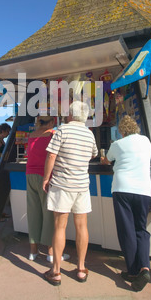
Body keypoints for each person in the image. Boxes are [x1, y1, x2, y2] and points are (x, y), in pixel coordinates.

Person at [42, 101, 98, 285]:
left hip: (62, 185)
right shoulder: (90, 134)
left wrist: (45, 178)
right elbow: (93, 154)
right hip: (82, 186)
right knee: (82, 226)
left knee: (60, 226)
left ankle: (56, 271)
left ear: (71, 115)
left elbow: (51, 155)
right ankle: (81, 269)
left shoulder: (62, 130)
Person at [101, 115, 151, 292]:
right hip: (143, 190)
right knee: (141, 229)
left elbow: (107, 160)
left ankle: (132, 271)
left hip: (122, 188)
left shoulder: (117, 144)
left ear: (122, 131)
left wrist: (104, 160)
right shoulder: (146, 141)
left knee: (126, 230)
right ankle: (145, 267)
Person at [26, 116, 70, 263]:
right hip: (44, 176)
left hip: (29, 174)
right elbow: (53, 155)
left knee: (33, 212)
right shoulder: (52, 134)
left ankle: (33, 252)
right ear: (51, 122)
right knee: (49, 214)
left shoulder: (31, 135)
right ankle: (51, 253)